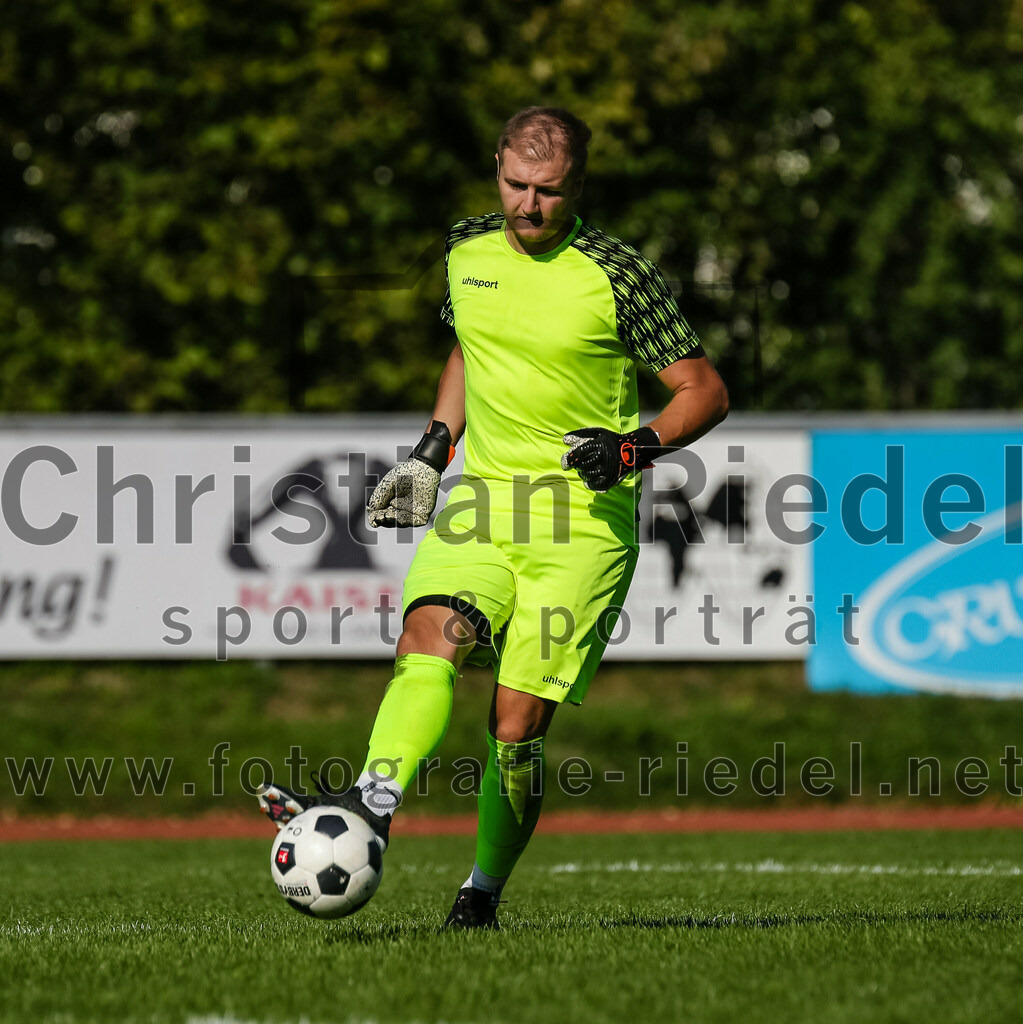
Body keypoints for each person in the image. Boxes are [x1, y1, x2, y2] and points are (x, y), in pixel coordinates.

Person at [258, 106, 729, 929]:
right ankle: (371, 804)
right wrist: (434, 447)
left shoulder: (617, 273)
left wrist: (632, 447)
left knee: (514, 726)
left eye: (547, 191)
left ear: (575, 186)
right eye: (515, 184)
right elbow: (469, 349)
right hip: (481, 502)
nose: (527, 205)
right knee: (427, 639)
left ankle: (481, 893)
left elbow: (705, 391)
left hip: (581, 526)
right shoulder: (465, 248)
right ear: (497, 172)